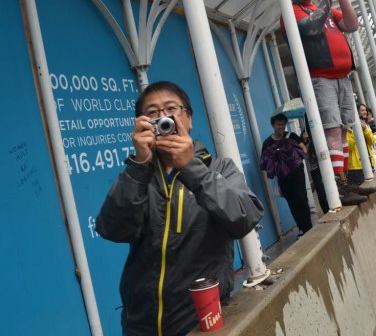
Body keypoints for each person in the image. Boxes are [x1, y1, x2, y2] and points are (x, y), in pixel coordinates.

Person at [95, 81, 264, 336]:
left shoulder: (218, 169)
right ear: (142, 126)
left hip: (201, 321)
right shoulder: (139, 176)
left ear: (189, 118)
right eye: (152, 113)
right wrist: (139, 165)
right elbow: (112, 229)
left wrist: (191, 167)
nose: (163, 118)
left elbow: (244, 218)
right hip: (141, 325)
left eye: (171, 109)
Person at [280, 0, 366, 206]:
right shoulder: (292, 13)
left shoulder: (325, 8)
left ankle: (346, 183)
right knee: (332, 130)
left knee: (344, 130)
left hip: (342, 78)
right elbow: (310, 27)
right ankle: (339, 187)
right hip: (321, 78)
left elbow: (352, 25)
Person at [261, 113, 312, 236]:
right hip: (283, 177)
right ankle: (301, 228)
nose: (281, 127)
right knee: (292, 202)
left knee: (301, 198)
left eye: (283, 124)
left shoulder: (291, 136)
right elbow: (264, 161)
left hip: (297, 173)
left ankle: (308, 227)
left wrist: (303, 141)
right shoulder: (267, 143)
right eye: (278, 124)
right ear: (273, 125)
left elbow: (304, 151)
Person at [346, 113, 376, 187]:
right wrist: (355, 131)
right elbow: (349, 147)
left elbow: (372, 141)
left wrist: (365, 129)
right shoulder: (346, 131)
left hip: (369, 164)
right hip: (357, 169)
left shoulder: (364, 129)